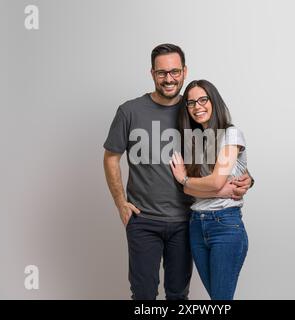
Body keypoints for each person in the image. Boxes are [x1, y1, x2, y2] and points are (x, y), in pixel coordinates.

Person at [103, 44, 253, 300]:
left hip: (187, 220)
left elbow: (223, 157)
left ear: (184, 71)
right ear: (152, 73)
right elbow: (111, 158)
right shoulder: (129, 111)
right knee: (143, 294)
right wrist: (120, 204)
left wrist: (248, 179)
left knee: (178, 294)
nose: (169, 78)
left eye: (174, 71)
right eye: (162, 73)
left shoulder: (194, 111)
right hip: (144, 220)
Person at [169, 79, 249, 300]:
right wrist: (212, 188)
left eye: (203, 99)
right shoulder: (194, 142)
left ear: (214, 101)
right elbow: (191, 192)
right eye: (191, 102)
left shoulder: (230, 134)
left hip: (225, 225)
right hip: (196, 225)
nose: (197, 106)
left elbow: (213, 182)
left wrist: (185, 179)